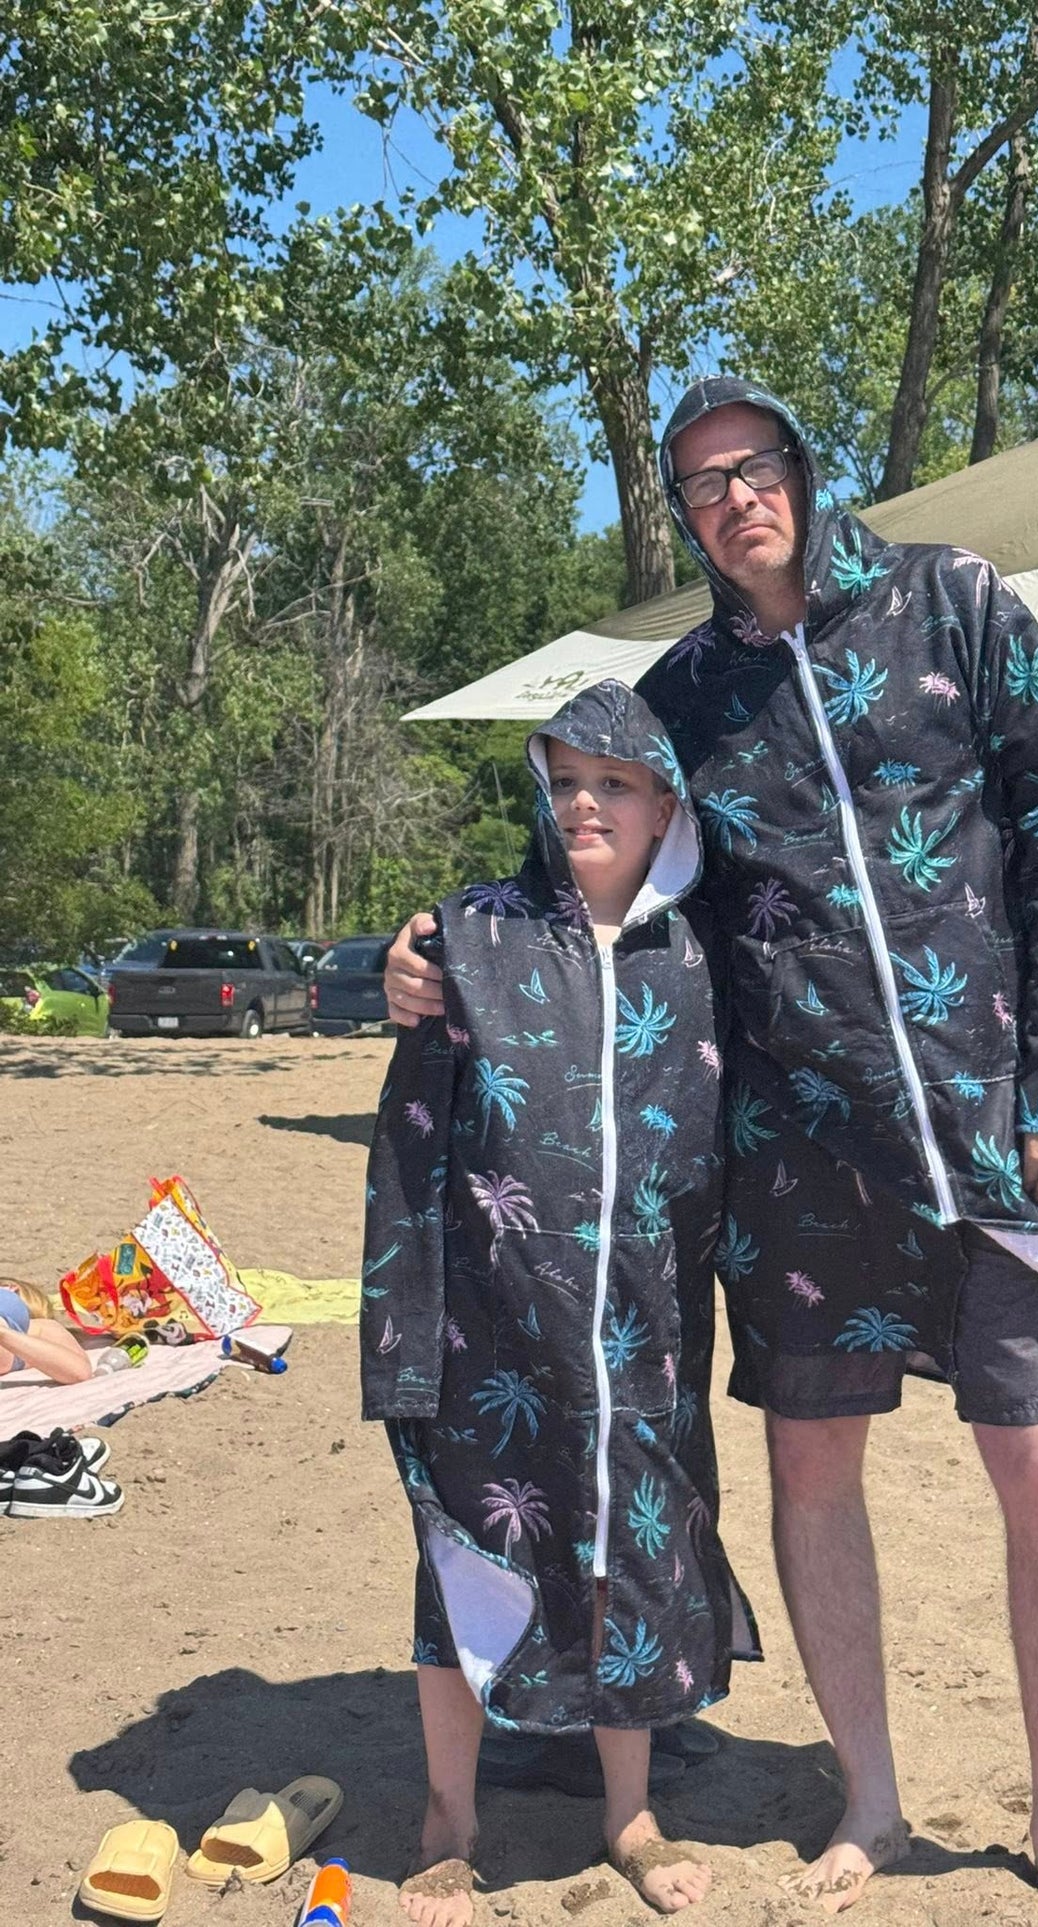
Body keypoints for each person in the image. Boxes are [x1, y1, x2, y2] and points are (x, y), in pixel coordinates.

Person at [385, 379, 1038, 1926]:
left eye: (752, 467)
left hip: (990, 1130)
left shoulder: (955, 602)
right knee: (812, 1466)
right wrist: (428, 948)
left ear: (803, 470)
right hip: (791, 1153)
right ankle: (868, 1793)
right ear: (682, 514)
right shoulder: (681, 692)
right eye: (699, 484)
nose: (733, 498)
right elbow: (582, 859)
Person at [363, 681, 758, 1927]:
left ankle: (628, 1814)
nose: (586, 803)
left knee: (626, 1557)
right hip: (488, 1323)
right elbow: (407, 1135)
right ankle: (450, 1819)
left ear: (664, 809)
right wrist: (403, 1323)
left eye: (615, 783)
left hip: (644, 1329)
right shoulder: (470, 935)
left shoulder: (699, 958)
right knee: (464, 1557)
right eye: (567, 780)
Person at [0, 1278, 93, 1384]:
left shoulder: (38, 1326)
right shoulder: (38, 1331)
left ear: (10, 1288)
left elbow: (80, 1371)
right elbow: (79, 1372)